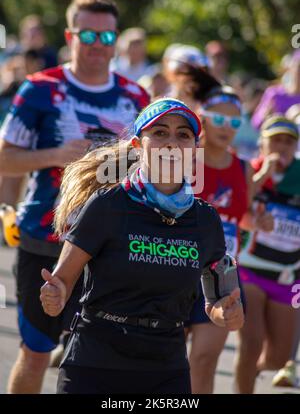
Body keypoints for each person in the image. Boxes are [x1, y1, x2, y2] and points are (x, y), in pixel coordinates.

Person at [40, 98, 244, 394]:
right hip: (96, 361)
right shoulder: (108, 205)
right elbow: (62, 279)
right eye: (160, 133)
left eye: (183, 135)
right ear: (138, 145)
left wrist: (225, 313)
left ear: (195, 149)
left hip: (165, 367)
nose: (171, 143)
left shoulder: (205, 219)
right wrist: (55, 295)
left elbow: (215, 301)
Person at [0, 0, 149, 394]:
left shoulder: (136, 98)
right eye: (88, 35)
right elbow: (4, 158)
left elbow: (153, 168)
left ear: (115, 39)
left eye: (106, 37)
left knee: (102, 360)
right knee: (36, 352)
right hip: (45, 237)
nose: (97, 45)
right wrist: (56, 155)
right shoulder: (39, 89)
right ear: (70, 35)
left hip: (113, 245)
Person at [185, 86, 273, 394]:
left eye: (235, 122)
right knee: (161, 361)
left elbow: (242, 216)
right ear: (203, 119)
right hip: (176, 270)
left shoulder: (243, 167)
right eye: (219, 119)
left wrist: (258, 221)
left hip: (222, 276)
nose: (227, 127)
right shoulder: (185, 159)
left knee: (205, 359)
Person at [235, 115, 300, 393]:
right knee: (251, 343)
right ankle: (244, 382)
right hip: (248, 269)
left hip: (288, 274)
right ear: (262, 143)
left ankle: (252, 370)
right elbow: (237, 203)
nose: (282, 147)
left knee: (278, 359)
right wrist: (262, 176)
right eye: (275, 140)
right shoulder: (250, 170)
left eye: (288, 142)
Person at [252, 50, 300, 130]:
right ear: (291, 68)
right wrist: (266, 115)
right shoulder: (274, 93)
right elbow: (256, 123)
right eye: (299, 67)